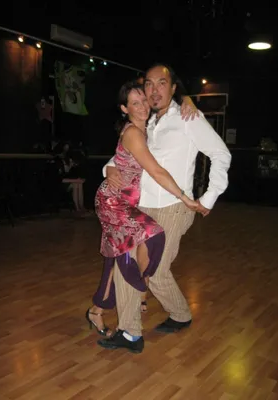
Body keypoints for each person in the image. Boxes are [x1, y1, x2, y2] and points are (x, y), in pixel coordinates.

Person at [97, 63, 231, 353]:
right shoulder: (147, 122)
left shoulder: (189, 117)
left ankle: (180, 314)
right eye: (149, 84)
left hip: (173, 208)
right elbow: (127, 155)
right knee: (127, 264)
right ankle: (130, 332)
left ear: (173, 88)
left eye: (162, 83)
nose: (154, 89)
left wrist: (207, 199)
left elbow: (221, 154)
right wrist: (108, 168)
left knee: (155, 270)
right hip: (140, 207)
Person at [86, 80, 199, 352]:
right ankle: (136, 298)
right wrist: (185, 197)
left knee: (121, 255)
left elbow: (117, 158)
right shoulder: (135, 133)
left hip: (128, 203)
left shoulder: (146, 128)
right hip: (114, 202)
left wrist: (187, 99)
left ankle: (104, 310)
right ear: (124, 108)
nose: (143, 105)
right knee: (147, 239)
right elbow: (156, 171)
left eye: (144, 100)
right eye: (135, 102)